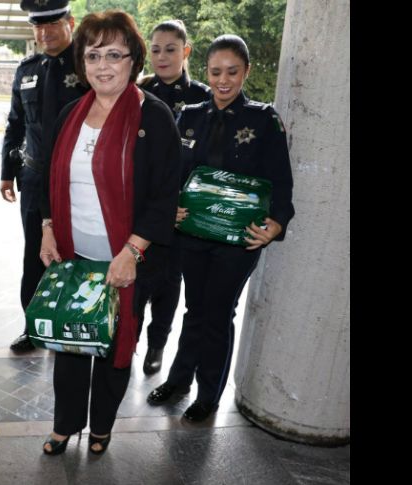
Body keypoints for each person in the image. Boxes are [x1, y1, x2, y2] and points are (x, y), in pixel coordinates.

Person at [38, 10, 181, 455]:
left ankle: (101, 426)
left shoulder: (153, 118)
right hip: (74, 257)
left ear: (132, 60)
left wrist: (132, 251)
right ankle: (65, 425)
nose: (102, 65)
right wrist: (47, 227)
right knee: (71, 344)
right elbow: (49, 175)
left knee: (116, 346)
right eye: (93, 54)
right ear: (82, 61)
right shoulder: (70, 114)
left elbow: (164, 195)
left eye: (114, 54)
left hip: (129, 260)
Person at [146, 34, 295, 422]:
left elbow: (281, 180)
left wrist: (277, 224)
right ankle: (179, 380)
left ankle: (208, 394)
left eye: (232, 72)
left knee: (217, 314)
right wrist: (173, 205)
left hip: (237, 240)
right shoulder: (190, 115)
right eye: (215, 72)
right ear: (206, 71)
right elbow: (171, 174)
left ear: (246, 71)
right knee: (194, 310)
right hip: (192, 234)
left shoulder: (264, 120)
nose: (223, 80)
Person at [2, 0, 88, 353]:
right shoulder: (27, 70)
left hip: (78, 181)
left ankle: (71, 322)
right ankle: (33, 326)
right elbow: (15, 123)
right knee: (34, 254)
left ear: (70, 22)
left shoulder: (88, 65)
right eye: (38, 25)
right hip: (35, 179)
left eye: (52, 23)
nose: (45, 32)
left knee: (76, 251)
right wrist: (7, 173)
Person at [137, 19, 211, 375]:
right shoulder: (137, 92)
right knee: (133, 280)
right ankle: (126, 342)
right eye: (155, 49)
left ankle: (156, 345)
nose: (162, 56)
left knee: (168, 284)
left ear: (186, 51)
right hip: (141, 207)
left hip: (181, 213)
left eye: (170, 49)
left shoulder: (202, 97)